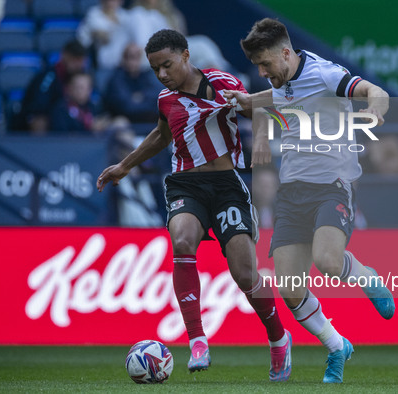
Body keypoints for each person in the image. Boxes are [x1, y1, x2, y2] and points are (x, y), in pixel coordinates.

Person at [96, 29, 292, 381]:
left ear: (186, 57)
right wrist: (124, 166)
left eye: (167, 65)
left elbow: (259, 106)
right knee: (182, 240)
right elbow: (160, 135)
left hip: (227, 185)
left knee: (245, 273)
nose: (162, 75)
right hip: (185, 183)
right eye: (156, 69)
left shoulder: (221, 83)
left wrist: (260, 141)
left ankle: (278, 337)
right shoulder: (165, 100)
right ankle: (197, 338)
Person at [225, 18, 395, 384]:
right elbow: (276, 97)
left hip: (333, 185)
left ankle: (367, 277)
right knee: (288, 288)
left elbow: (372, 89)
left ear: (285, 53)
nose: (261, 71)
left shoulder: (325, 74)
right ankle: (337, 346)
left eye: (265, 64)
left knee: (328, 261)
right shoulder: (284, 81)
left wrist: (376, 108)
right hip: (292, 193)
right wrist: (247, 102)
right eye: (257, 65)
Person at [18, 39, 88, 134]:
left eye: (80, 61)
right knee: (39, 120)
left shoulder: (79, 77)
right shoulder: (48, 77)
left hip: (67, 125)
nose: (78, 65)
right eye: (75, 60)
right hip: (45, 127)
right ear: (65, 55)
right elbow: (37, 110)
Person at [104, 43, 163, 123]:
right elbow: (126, 107)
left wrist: (140, 96)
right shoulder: (116, 78)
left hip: (146, 119)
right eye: (130, 57)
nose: (133, 61)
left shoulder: (146, 76)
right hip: (123, 120)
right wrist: (144, 99)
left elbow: (159, 96)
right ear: (124, 59)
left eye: (136, 57)